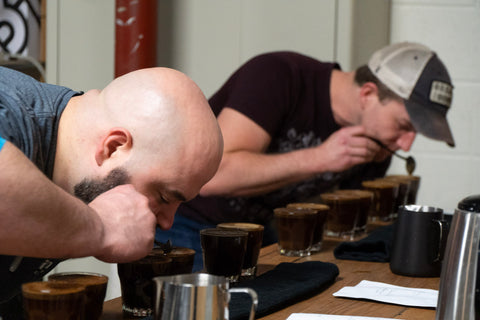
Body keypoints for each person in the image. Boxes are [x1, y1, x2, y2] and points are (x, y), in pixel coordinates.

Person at [154, 42, 455, 271]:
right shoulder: (278, 76)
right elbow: (211, 177)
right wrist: (321, 158)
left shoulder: (375, 145)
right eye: (404, 126)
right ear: (367, 94)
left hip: (259, 234)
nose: (405, 145)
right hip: (186, 219)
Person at [0, 66, 223, 318]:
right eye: (163, 196)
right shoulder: (9, 108)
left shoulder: (70, 159)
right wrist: (100, 228)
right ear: (113, 147)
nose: (167, 222)